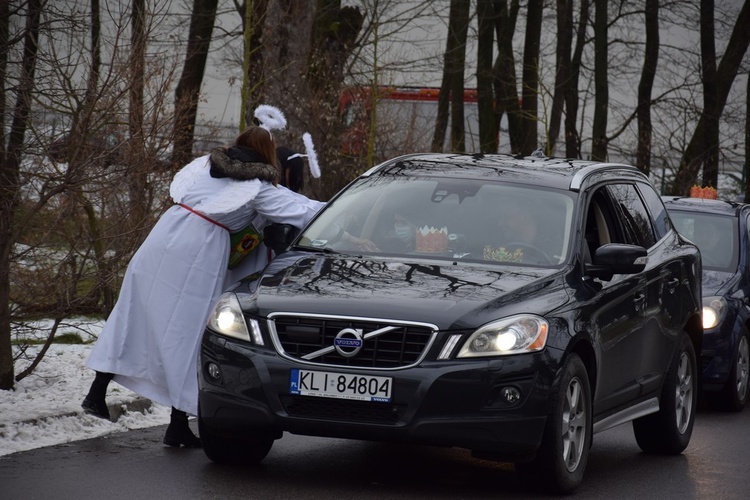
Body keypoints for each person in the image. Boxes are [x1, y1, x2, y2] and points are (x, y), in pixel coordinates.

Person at [82, 125, 325, 448]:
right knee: (189, 333)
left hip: (164, 235)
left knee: (132, 316)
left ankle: (97, 395)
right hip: (197, 252)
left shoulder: (205, 167)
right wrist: (349, 210)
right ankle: (177, 423)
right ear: (268, 153)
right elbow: (302, 210)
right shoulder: (257, 187)